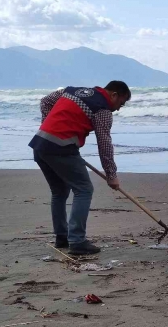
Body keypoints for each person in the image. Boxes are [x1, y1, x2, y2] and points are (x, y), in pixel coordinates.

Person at [28, 81, 131, 255]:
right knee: (84, 189)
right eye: (121, 103)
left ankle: (62, 237)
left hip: (41, 143)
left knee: (59, 192)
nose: (119, 109)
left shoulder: (73, 91)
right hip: (60, 147)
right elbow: (104, 143)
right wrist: (111, 175)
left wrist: (49, 126)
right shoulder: (103, 110)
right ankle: (77, 241)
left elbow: (45, 101)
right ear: (113, 95)